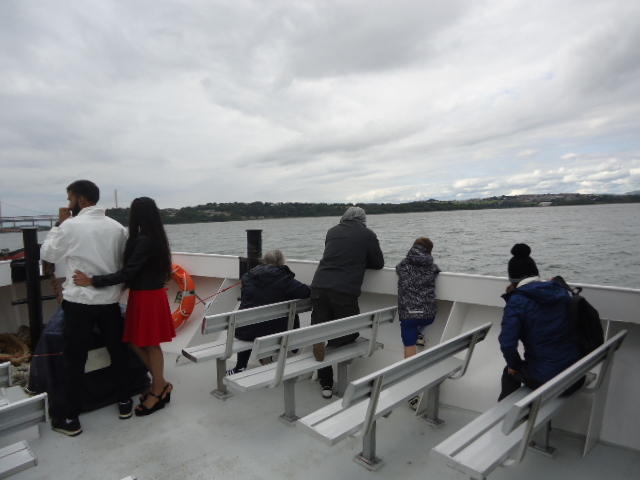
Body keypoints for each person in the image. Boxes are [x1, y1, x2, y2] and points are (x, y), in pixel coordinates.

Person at [41, 180, 130, 436]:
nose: (68, 204)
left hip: (80, 302)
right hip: (110, 302)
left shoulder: (70, 226)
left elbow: (49, 254)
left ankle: (70, 417)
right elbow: (123, 263)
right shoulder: (117, 228)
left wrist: (59, 225)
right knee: (118, 352)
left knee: (74, 358)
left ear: (80, 200)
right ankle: (125, 402)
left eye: (70, 198)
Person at [73, 197, 176, 416]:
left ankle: (158, 389)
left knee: (149, 344)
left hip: (146, 297)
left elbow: (128, 273)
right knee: (135, 341)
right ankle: (161, 384)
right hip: (147, 295)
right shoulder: (155, 239)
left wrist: (93, 280)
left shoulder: (143, 240)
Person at [310, 206, 384, 399]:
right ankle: (331, 345)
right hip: (343, 291)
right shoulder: (367, 234)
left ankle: (326, 383)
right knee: (350, 331)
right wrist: (360, 260)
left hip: (319, 286)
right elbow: (378, 263)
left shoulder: (332, 231)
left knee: (318, 332)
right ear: (363, 219)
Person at [498, 243, 583, 401]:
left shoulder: (517, 301)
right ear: (536, 273)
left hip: (548, 379)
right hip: (576, 374)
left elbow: (507, 344)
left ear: (512, 279)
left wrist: (514, 366)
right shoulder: (561, 290)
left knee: (509, 371)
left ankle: (507, 414)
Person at [227, 250, 310, 375]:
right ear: (281, 262)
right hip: (275, 332)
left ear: (264, 261)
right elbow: (306, 292)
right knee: (292, 310)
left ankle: (240, 366)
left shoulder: (248, 277)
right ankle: (293, 346)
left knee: (251, 318)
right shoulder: (284, 279)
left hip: (246, 332)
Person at [396, 237, 440, 359]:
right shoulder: (432, 267)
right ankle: (418, 333)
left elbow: (398, 269)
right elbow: (436, 271)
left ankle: (409, 366)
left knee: (409, 338)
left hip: (408, 314)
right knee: (420, 321)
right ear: (429, 251)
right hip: (428, 315)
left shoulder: (403, 265)